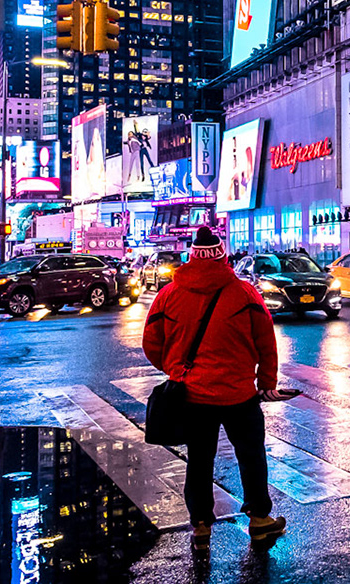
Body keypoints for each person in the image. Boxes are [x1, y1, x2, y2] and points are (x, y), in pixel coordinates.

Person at [141, 226, 287, 551]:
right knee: (250, 455)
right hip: (240, 395)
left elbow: (151, 342)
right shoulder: (244, 293)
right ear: (222, 256)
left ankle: (201, 526)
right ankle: (260, 520)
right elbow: (266, 342)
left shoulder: (169, 295)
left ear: (191, 256)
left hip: (192, 396)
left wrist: (175, 370)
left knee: (200, 460)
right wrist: (266, 382)